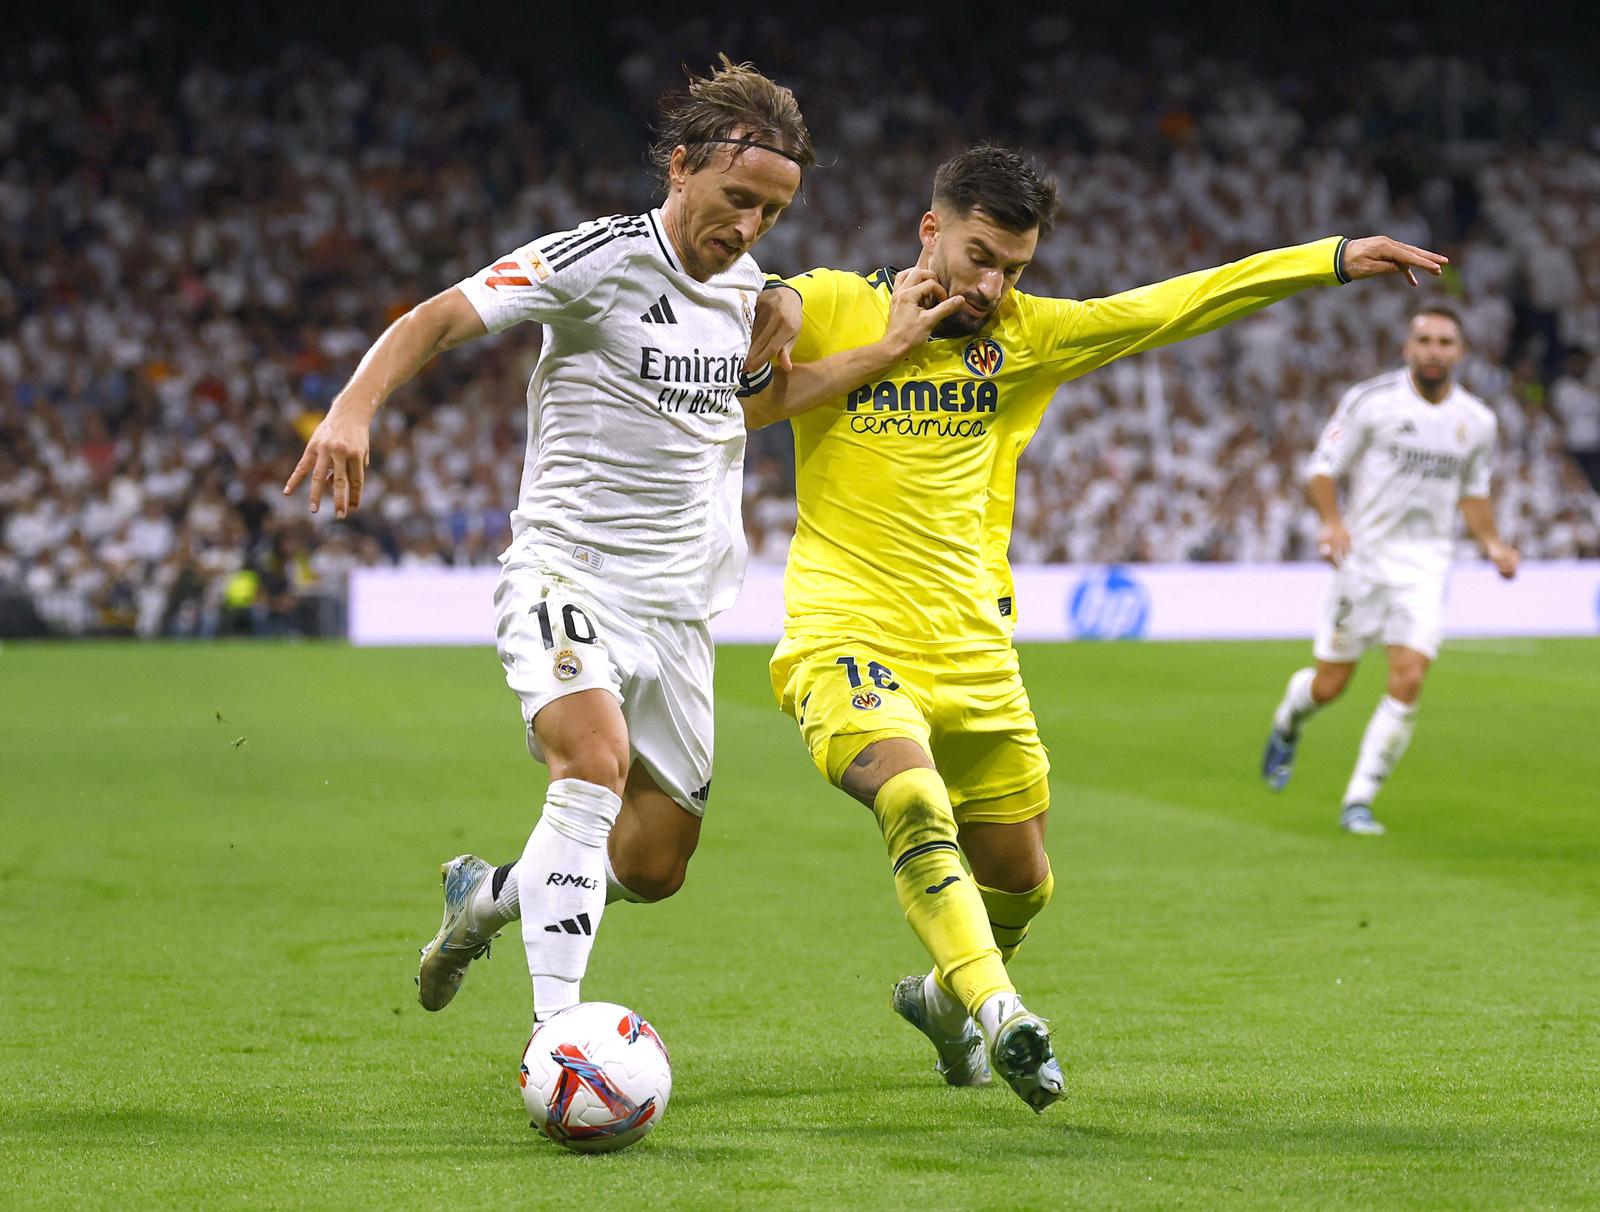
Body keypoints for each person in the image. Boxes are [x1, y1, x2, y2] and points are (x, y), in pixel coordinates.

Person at [740, 145, 1447, 1111]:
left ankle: (945, 1006)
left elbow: (1182, 301)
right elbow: (743, 389)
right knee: (910, 798)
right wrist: (771, 299)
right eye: (980, 256)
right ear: (930, 231)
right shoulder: (831, 302)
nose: (993, 286)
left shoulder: (1032, 336)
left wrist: (1327, 257)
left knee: (1024, 883)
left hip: (976, 653)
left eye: (1015, 269)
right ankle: (1001, 1016)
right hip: (844, 630)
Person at [283, 59, 815, 1028]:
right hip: (567, 571)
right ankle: (558, 1035)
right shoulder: (598, 259)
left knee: (655, 865)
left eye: (770, 216)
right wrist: (355, 407)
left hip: (679, 610)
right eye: (736, 200)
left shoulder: (747, 287)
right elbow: (438, 317)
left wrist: (797, 293)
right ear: (683, 167)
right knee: (591, 758)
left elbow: (761, 392)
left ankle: (485, 900)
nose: (746, 229)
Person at [1262, 306, 1519, 834]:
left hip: (1426, 566)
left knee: (1409, 677)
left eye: (1445, 341)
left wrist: (1492, 543)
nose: (1434, 350)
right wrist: (1332, 522)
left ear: (1460, 352)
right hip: (1364, 561)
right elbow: (1322, 469)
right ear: (1407, 347)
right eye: (1424, 339)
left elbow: (1473, 492)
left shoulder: (1478, 421)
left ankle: (1359, 799)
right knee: (1331, 685)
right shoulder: (1371, 402)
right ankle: (1290, 719)